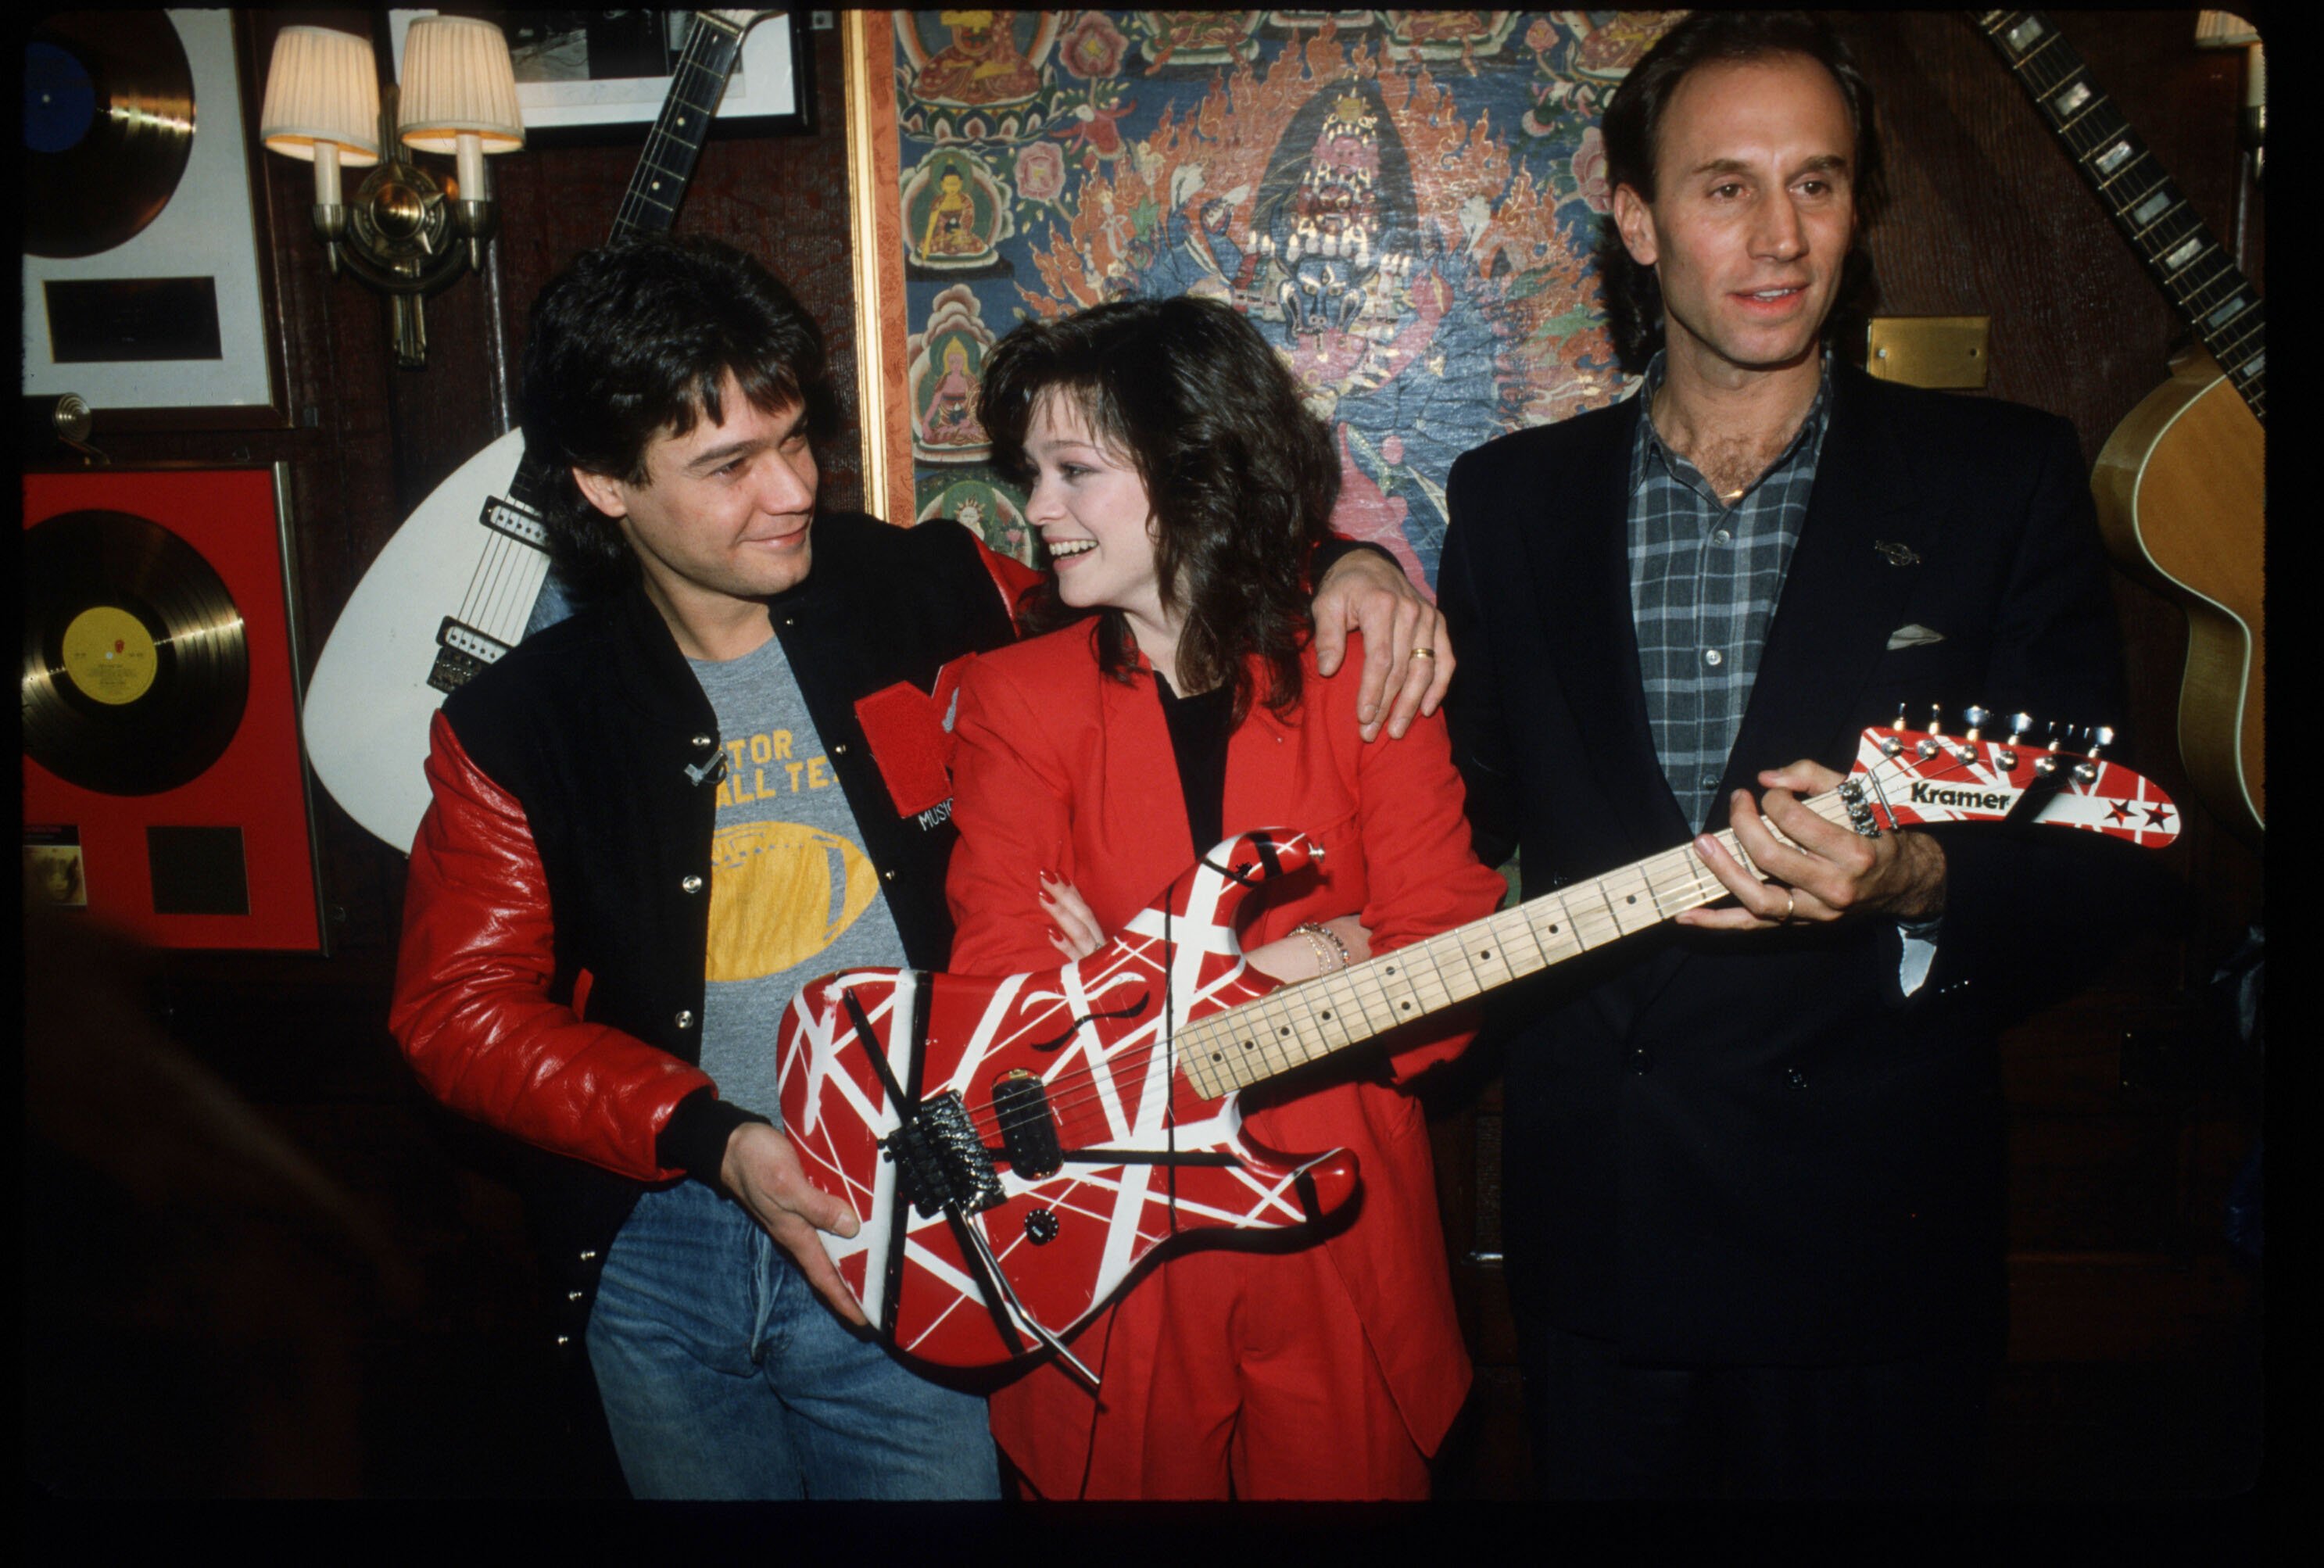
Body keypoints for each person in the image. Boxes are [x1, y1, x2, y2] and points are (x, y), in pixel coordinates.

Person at [386, 234, 1452, 1500]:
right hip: (666, 1238)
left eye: (794, 438)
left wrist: (1348, 563)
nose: (789, 489)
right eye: (728, 466)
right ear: (606, 484)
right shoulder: (518, 721)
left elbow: (1178, 570)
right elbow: (455, 1011)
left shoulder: (935, 586)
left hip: (940, 1209)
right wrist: (705, 1134)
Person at [1438, 12, 2156, 1498]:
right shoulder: (1511, 502)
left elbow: (2110, 847)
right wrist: (1340, 571)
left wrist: (1916, 876)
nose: (1777, 238)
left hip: (1871, 1243)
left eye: (1815, 184)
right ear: (1634, 218)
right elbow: (1461, 820)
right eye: (1723, 187)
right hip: (1605, 1236)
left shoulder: (2000, 479)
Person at [944, 294, 1509, 1499]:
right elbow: (1003, 999)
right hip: (1112, 1254)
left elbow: (1450, 947)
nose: (1035, 506)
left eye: (1073, 470)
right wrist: (1306, 958)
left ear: (1195, 470)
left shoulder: (1357, 660)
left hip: (1336, 1225)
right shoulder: (1012, 698)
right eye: (1030, 471)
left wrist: (1132, 978)